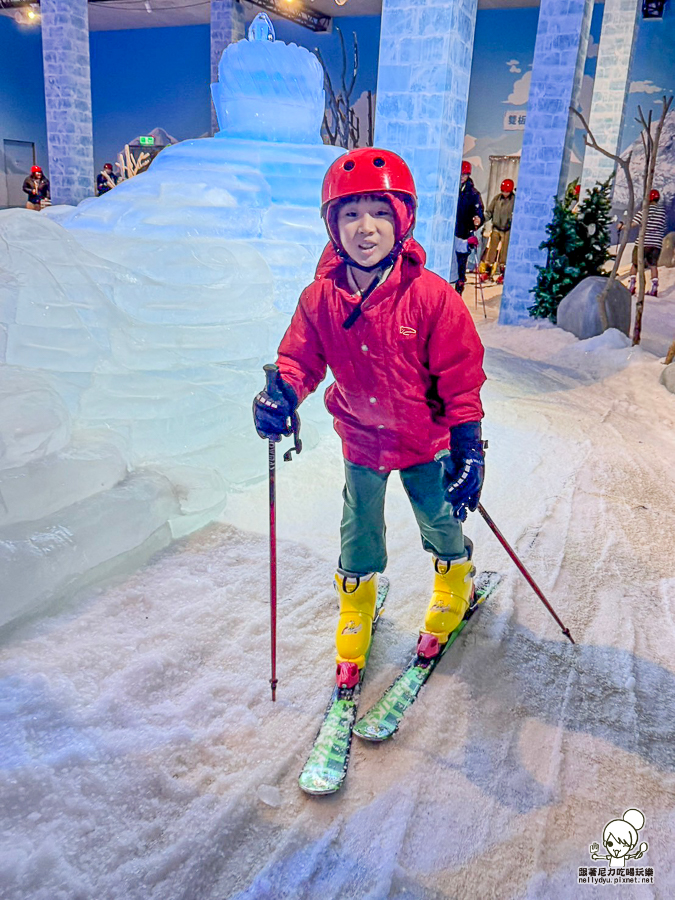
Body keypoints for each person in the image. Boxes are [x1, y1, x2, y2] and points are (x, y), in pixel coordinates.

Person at [252, 148, 487, 687]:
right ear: (332, 225)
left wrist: (468, 444)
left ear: (402, 219)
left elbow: (460, 376)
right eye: (351, 213)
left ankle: (455, 581)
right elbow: (300, 359)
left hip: (426, 440)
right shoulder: (320, 299)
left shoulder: (430, 297)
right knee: (358, 523)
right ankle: (356, 600)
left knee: (438, 515)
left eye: (380, 212)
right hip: (363, 439)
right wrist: (281, 394)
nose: (366, 227)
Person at [626, 189, 667, 297]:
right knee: (653, 265)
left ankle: (631, 287)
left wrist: (623, 226)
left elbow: (634, 224)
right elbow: (662, 226)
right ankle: (654, 288)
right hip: (656, 243)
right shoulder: (662, 213)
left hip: (643, 242)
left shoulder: (644, 211)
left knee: (635, 264)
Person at [453, 161, 484, 295]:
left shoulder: (473, 194)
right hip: (449, 234)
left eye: (464, 175)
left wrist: (478, 219)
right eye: (460, 174)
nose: (462, 177)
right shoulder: (450, 189)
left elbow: (479, 212)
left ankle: (458, 291)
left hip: (463, 234)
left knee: (460, 265)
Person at [484, 178, 515, 283]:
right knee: (492, 250)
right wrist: (482, 220)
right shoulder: (497, 199)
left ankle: (503, 273)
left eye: (507, 192)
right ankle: (487, 271)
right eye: (503, 191)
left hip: (508, 229)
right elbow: (489, 212)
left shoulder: (514, 200)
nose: (504, 193)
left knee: (504, 252)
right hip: (496, 227)